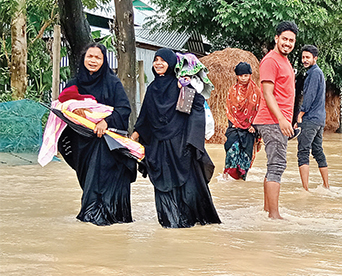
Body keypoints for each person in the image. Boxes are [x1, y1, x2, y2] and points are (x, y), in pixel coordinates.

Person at [131, 48, 220, 228]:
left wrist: (192, 141)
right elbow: (145, 117)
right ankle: (169, 224)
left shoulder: (182, 85)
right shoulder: (152, 88)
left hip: (181, 146)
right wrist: (132, 138)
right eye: (156, 60)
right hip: (158, 147)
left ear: (171, 63)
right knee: (163, 187)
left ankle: (187, 224)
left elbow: (197, 107)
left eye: (163, 60)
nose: (158, 63)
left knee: (187, 187)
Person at [57, 43, 136, 226]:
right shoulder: (73, 84)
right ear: (83, 58)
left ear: (104, 60)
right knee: (88, 181)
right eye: (89, 56)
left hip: (106, 144)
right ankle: (94, 220)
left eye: (97, 57)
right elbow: (63, 109)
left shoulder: (112, 82)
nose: (93, 61)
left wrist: (105, 121)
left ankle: (97, 218)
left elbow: (124, 109)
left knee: (100, 182)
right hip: (82, 144)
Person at [253, 21, 298, 219]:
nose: (288, 43)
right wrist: (281, 119)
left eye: (291, 40)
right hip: (272, 120)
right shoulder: (271, 60)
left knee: (274, 165)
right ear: (276, 38)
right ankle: (274, 216)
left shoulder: (284, 61)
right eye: (285, 39)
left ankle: (267, 210)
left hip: (278, 119)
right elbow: (267, 93)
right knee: (277, 166)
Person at [296, 45, 329, 191]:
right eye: (303, 57)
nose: (304, 60)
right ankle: (326, 186)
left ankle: (305, 189)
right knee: (317, 151)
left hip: (310, 119)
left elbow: (309, 96)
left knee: (303, 152)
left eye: (307, 57)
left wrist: (301, 114)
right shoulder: (318, 73)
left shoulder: (314, 73)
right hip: (320, 119)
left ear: (315, 58)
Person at [223, 62, 261, 180]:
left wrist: (253, 126)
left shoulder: (257, 92)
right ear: (237, 76)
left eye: (246, 75)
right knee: (231, 150)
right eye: (240, 76)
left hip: (250, 130)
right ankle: (227, 179)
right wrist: (235, 124)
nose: (243, 78)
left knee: (245, 159)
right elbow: (230, 111)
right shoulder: (232, 91)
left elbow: (259, 110)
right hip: (234, 127)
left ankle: (241, 182)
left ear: (250, 75)